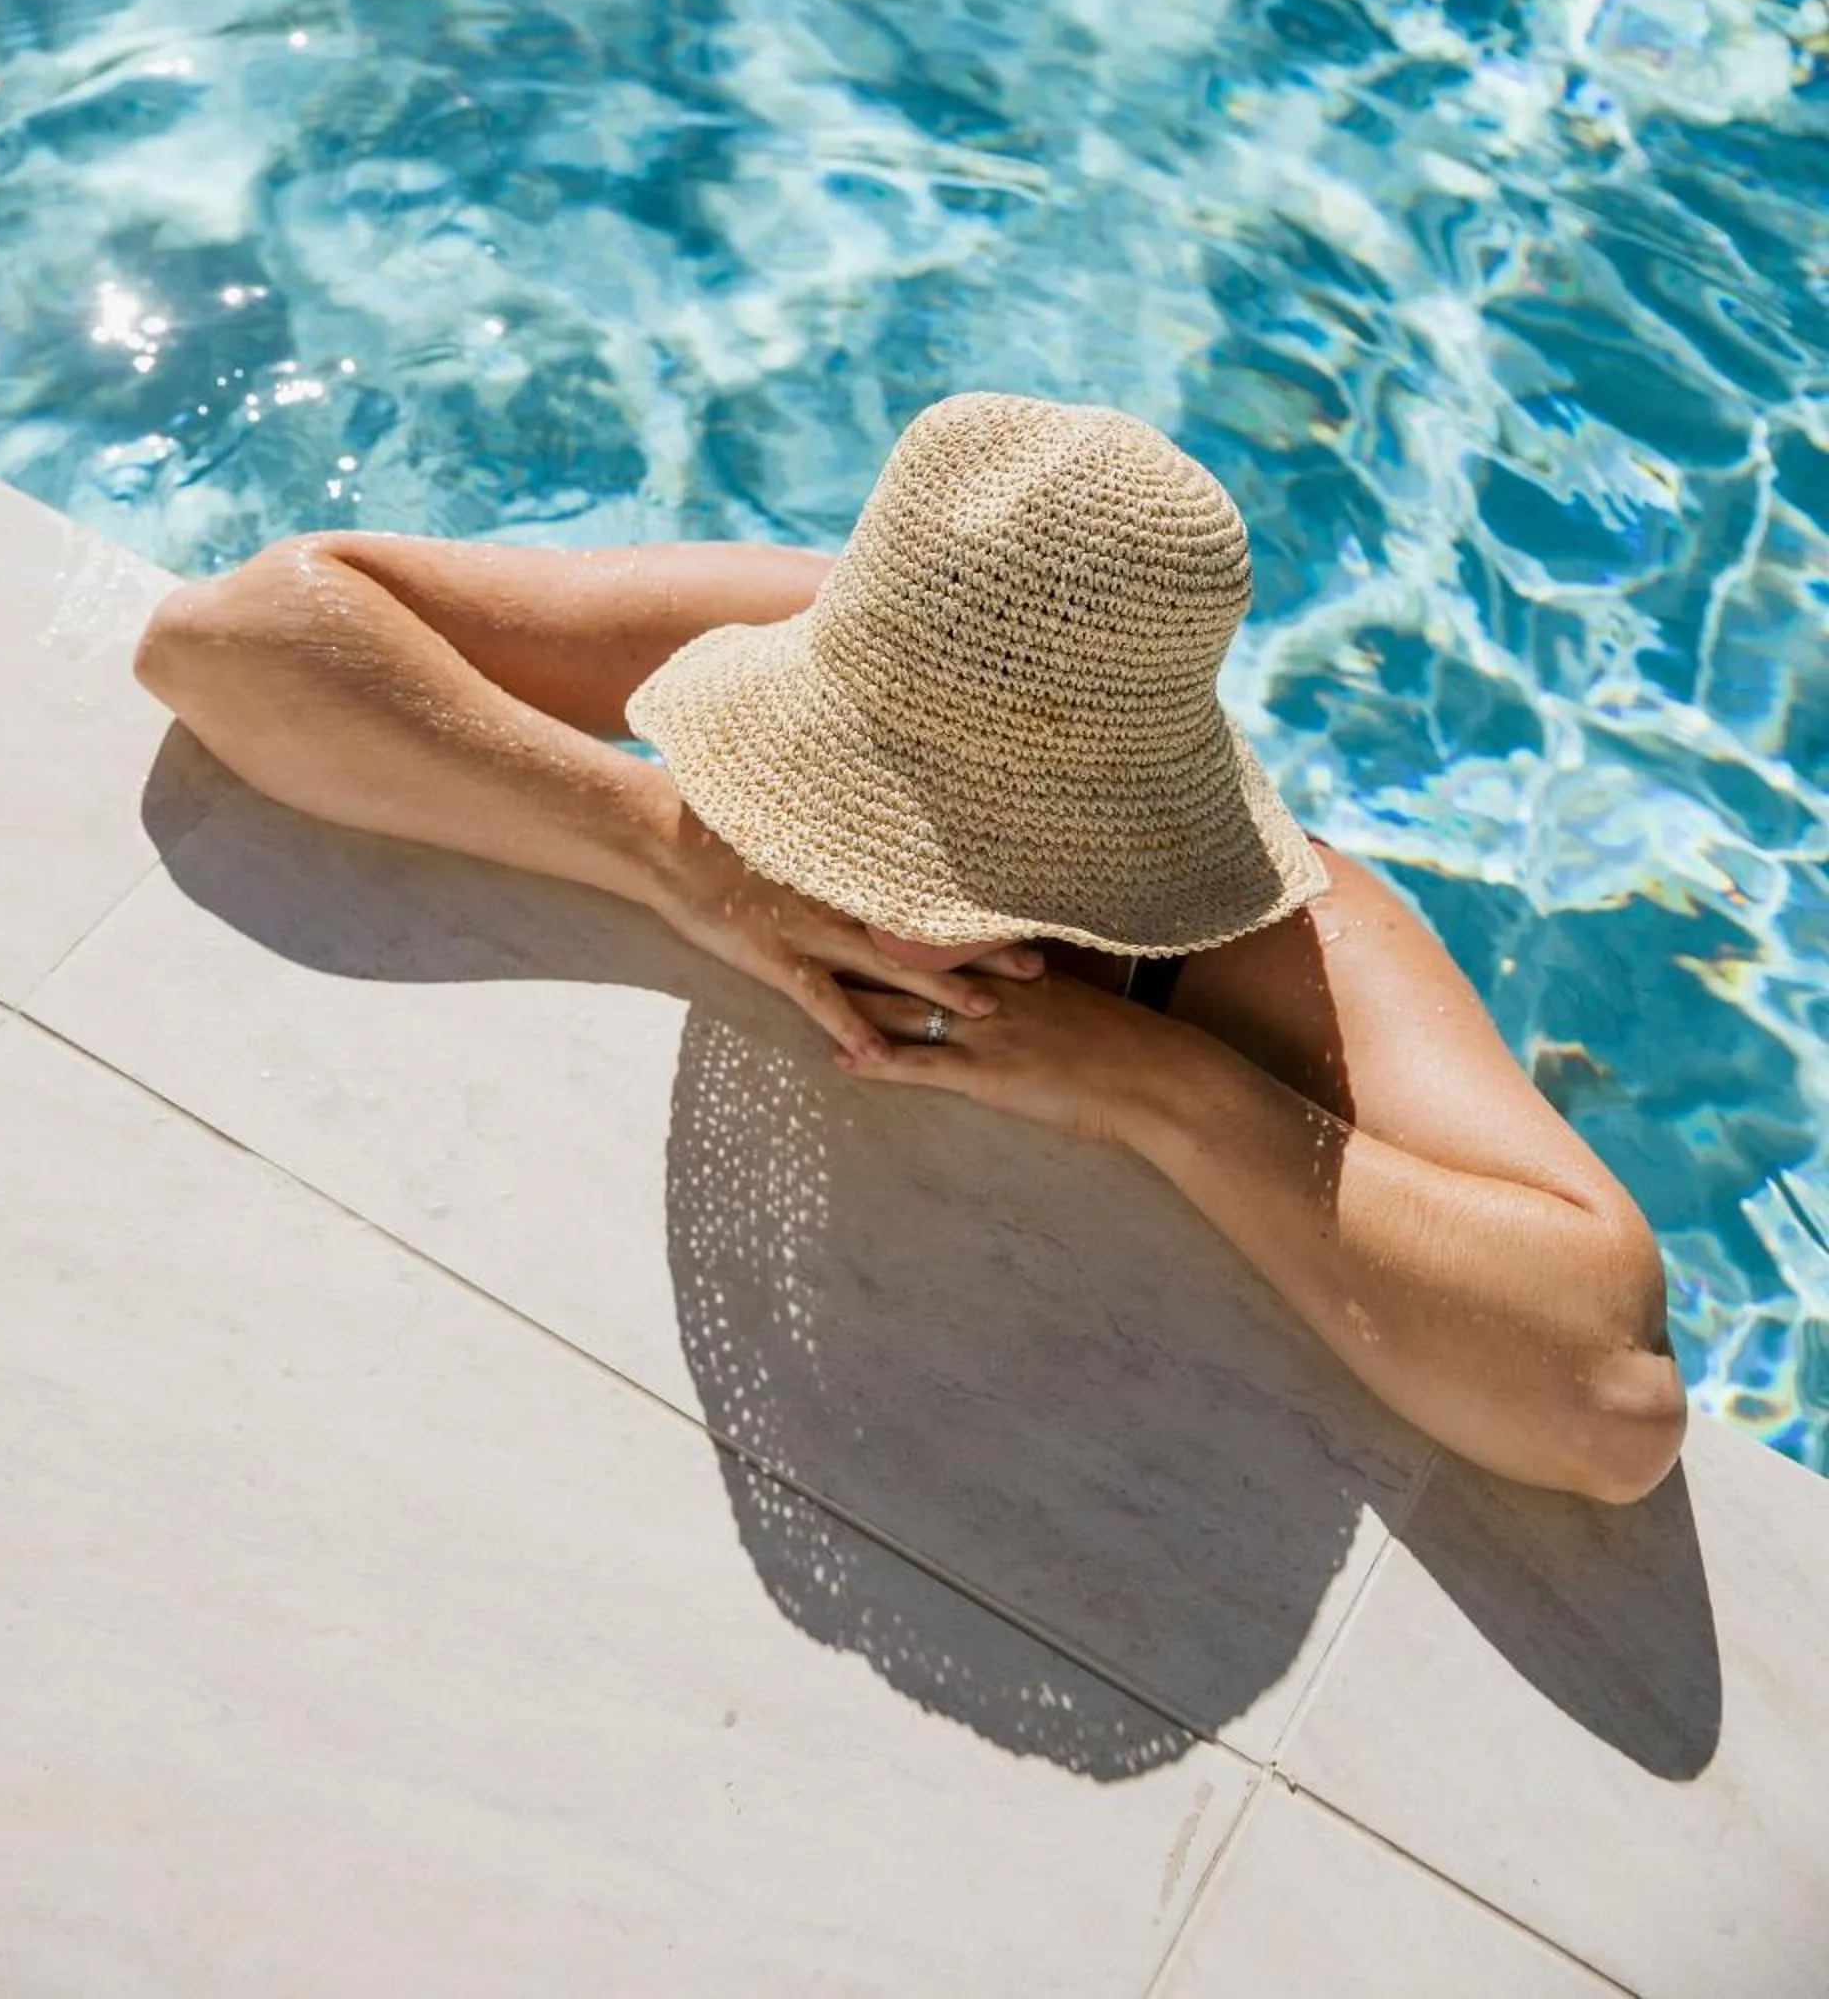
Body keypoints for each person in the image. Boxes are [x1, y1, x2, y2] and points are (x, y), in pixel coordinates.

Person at [134, 388, 1687, 1504]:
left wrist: (1165, 1089)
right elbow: (232, 638)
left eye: (925, 841)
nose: (836, 858)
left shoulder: (1292, 940)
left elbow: (1608, 1408)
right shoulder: (844, 623)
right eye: (834, 782)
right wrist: (670, 851)